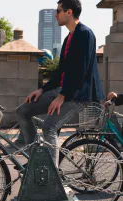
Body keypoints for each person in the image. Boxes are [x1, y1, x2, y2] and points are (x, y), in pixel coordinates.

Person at [13, 0, 104, 166]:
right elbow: (60, 71)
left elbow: (80, 72)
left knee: (49, 126)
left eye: (58, 11)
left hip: (79, 96)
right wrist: (42, 89)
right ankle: (37, 161)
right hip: (63, 92)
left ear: (69, 12)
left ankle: (51, 178)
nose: (56, 14)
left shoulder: (85, 34)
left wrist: (62, 96)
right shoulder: (69, 38)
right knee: (22, 111)